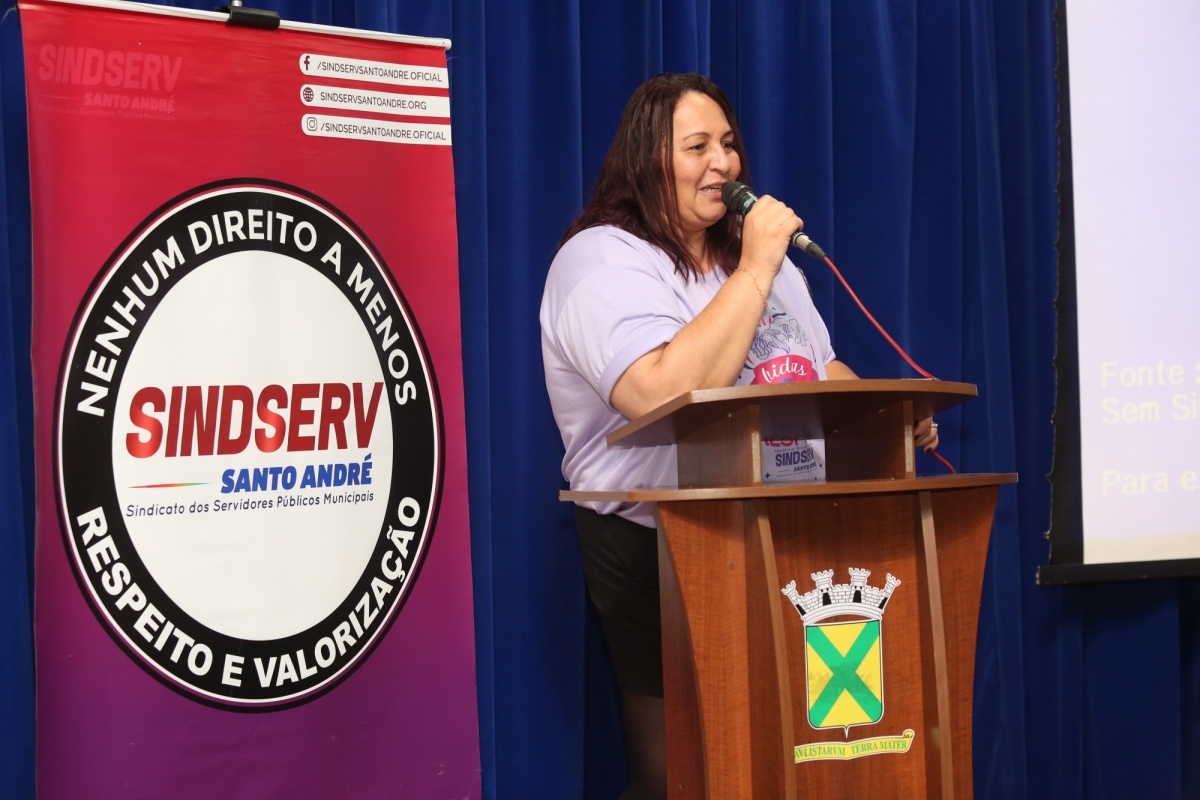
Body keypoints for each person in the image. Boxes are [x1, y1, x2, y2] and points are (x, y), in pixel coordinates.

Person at [539, 73, 938, 799]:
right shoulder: (601, 260)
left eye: (728, 144)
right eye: (697, 146)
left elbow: (821, 371)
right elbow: (662, 396)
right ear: (646, 161)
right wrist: (754, 266)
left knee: (786, 753)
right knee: (688, 768)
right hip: (661, 546)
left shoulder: (763, 267)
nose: (722, 162)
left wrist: (887, 418)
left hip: (788, 535)